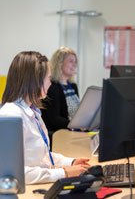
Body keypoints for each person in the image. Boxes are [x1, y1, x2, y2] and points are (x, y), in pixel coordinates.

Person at [0, 51, 90, 184]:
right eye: (48, 78)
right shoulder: (11, 116)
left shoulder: (33, 111)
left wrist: (71, 162)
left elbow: (42, 157)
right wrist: (64, 173)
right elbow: (13, 174)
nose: (50, 84)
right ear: (35, 81)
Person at [41, 47, 80, 134]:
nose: (75, 65)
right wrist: (77, 126)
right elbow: (55, 119)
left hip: (73, 131)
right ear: (59, 63)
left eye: (75, 62)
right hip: (59, 135)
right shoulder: (52, 87)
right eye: (71, 61)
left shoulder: (73, 86)